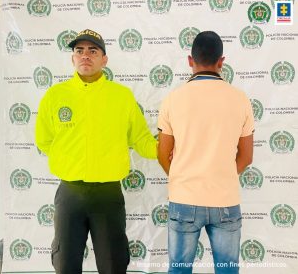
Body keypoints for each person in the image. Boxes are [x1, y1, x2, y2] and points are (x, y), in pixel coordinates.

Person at [35, 29, 157, 274]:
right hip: (70, 194)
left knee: (113, 264)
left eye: (93, 51)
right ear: (73, 58)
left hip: (108, 195)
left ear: (104, 59)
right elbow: (44, 140)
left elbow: (142, 140)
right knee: (65, 264)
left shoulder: (121, 96)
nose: (85, 56)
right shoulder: (55, 96)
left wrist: (173, 148)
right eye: (79, 51)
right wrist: (71, 159)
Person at [157, 31, 254, 274]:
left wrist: (180, 174)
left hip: (184, 199)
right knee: (227, 270)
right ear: (222, 61)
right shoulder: (240, 99)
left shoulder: (172, 99)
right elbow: (246, 156)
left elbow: (162, 153)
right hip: (226, 200)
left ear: (190, 60)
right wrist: (222, 176)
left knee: (179, 270)